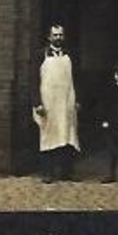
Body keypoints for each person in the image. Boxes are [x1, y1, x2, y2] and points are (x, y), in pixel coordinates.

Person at [32, 24, 80, 183]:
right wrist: (37, 103)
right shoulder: (41, 55)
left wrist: (77, 100)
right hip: (48, 103)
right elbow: (33, 81)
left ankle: (66, 172)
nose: (58, 38)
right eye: (55, 35)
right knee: (48, 137)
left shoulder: (69, 55)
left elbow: (76, 79)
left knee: (67, 136)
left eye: (60, 35)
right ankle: (47, 172)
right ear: (49, 37)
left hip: (66, 101)